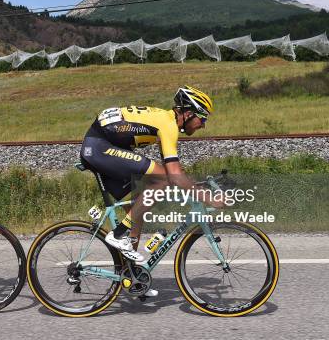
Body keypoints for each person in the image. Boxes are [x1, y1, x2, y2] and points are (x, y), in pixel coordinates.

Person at [79, 86, 225, 295]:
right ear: (189, 113)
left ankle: (133, 275)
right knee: (163, 180)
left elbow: (173, 170)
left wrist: (194, 186)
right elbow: (172, 175)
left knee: (138, 201)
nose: (203, 125)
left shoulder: (165, 121)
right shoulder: (168, 126)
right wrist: (206, 197)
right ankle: (118, 234)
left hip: (105, 142)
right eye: (203, 119)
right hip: (99, 146)